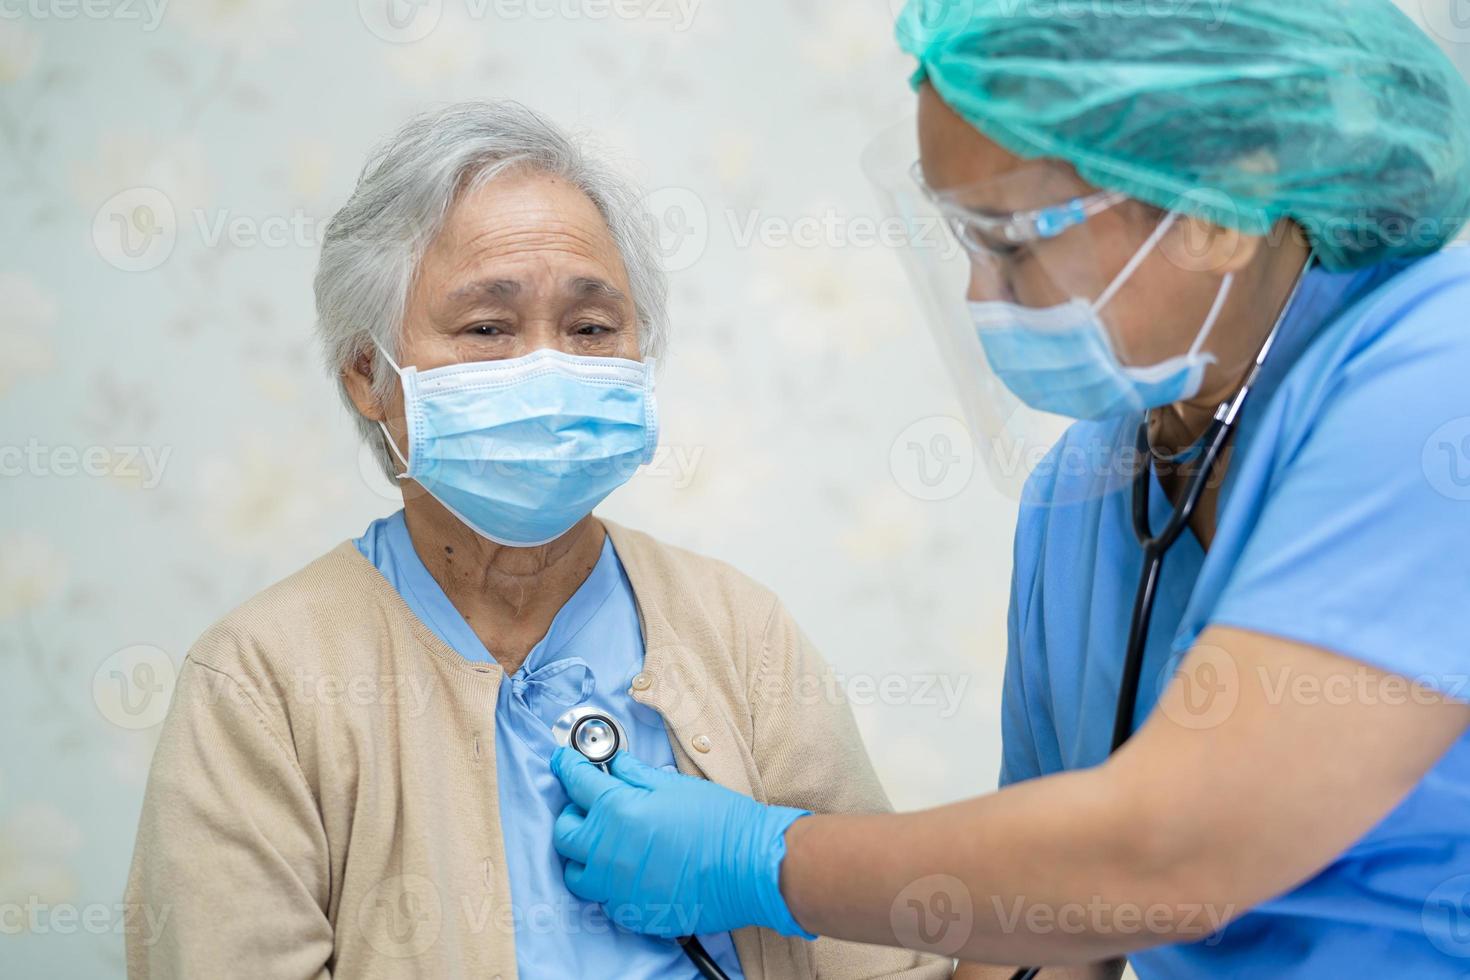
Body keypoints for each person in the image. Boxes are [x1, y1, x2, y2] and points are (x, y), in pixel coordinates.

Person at [548, 2, 1470, 976]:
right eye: (962, 242)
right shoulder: (1082, 493)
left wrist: (765, 858)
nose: (982, 298)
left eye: (1013, 243)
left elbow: (1167, 850)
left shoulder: (1434, 382)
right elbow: (1044, 928)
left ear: (1221, 206)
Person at [123, 101, 952, 980]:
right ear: (369, 374)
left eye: (592, 329)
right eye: (488, 328)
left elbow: (888, 956)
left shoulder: (741, 633)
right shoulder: (260, 687)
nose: (550, 367)